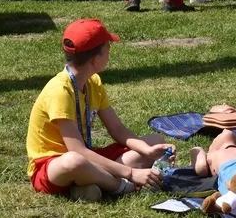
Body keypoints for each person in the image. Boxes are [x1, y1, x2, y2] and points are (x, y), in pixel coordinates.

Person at [26, 19, 177, 201]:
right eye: (108, 51)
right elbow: (78, 151)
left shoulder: (93, 82)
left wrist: (147, 150)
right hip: (53, 166)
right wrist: (130, 174)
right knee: (74, 161)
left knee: (155, 141)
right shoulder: (59, 91)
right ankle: (119, 186)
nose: (109, 55)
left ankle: (90, 184)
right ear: (95, 59)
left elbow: (118, 130)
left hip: (87, 157)